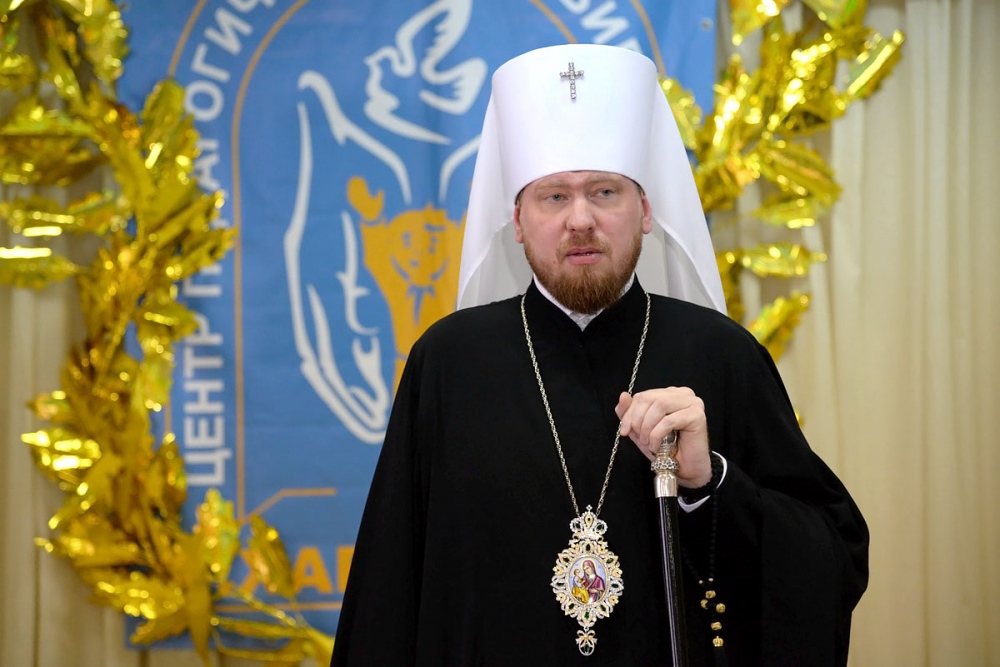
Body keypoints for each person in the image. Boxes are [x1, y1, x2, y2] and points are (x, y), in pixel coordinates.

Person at [331, 43, 869, 667]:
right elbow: (388, 596)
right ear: (517, 221)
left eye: (605, 192)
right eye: (553, 197)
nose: (580, 220)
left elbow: (830, 560)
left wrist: (708, 484)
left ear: (645, 211)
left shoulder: (723, 355)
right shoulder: (447, 365)